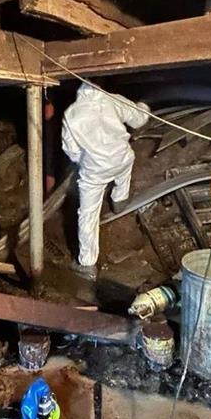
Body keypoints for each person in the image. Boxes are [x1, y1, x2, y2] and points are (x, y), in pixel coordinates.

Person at [62, 83, 150, 279]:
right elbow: (138, 119)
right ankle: (119, 200)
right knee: (123, 171)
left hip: (95, 169)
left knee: (88, 213)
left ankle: (87, 265)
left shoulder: (71, 114)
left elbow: (71, 150)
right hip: (122, 158)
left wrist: (86, 159)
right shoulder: (112, 98)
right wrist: (144, 106)